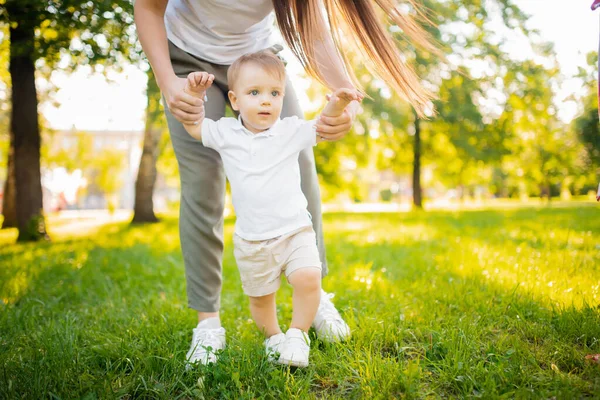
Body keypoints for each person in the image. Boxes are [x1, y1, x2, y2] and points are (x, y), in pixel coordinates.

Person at [133, 0, 436, 366]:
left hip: (259, 61)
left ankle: (315, 293)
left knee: (300, 162)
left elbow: (313, 29)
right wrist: (169, 84)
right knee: (203, 184)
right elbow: (148, 8)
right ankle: (208, 322)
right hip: (187, 58)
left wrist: (346, 96)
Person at [182, 50, 361, 367]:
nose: (266, 101)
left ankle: (297, 335)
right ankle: (274, 337)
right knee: (261, 301)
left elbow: (322, 125)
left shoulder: (290, 130)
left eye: (274, 93)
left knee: (309, 277)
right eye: (255, 93)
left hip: (295, 230)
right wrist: (194, 95)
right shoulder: (224, 133)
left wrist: (338, 102)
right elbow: (194, 127)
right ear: (234, 100)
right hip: (253, 240)